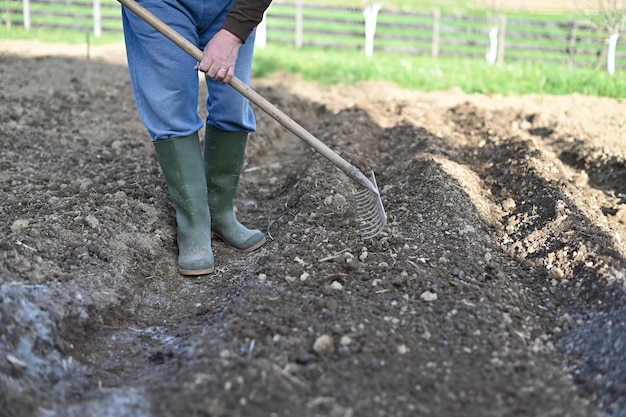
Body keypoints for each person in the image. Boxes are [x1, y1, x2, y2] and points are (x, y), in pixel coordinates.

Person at [121, 0, 273, 276]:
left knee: (232, 105)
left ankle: (220, 212)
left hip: (232, 4)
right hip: (160, 4)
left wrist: (234, 33)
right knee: (171, 110)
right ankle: (194, 226)